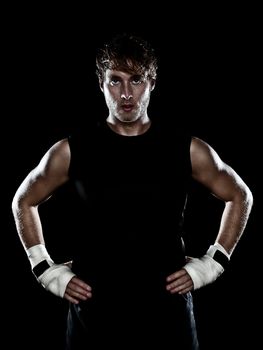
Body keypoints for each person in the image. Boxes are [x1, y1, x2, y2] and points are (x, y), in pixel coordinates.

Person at [12, 33, 253, 349]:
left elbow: (240, 195)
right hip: (94, 313)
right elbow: (24, 201)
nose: (126, 93)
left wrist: (213, 263)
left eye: (136, 80)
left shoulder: (185, 148)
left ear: (151, 82)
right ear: (101, 83)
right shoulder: (72, 150)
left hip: (167, 313)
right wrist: (45, 270)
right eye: (115, 81)